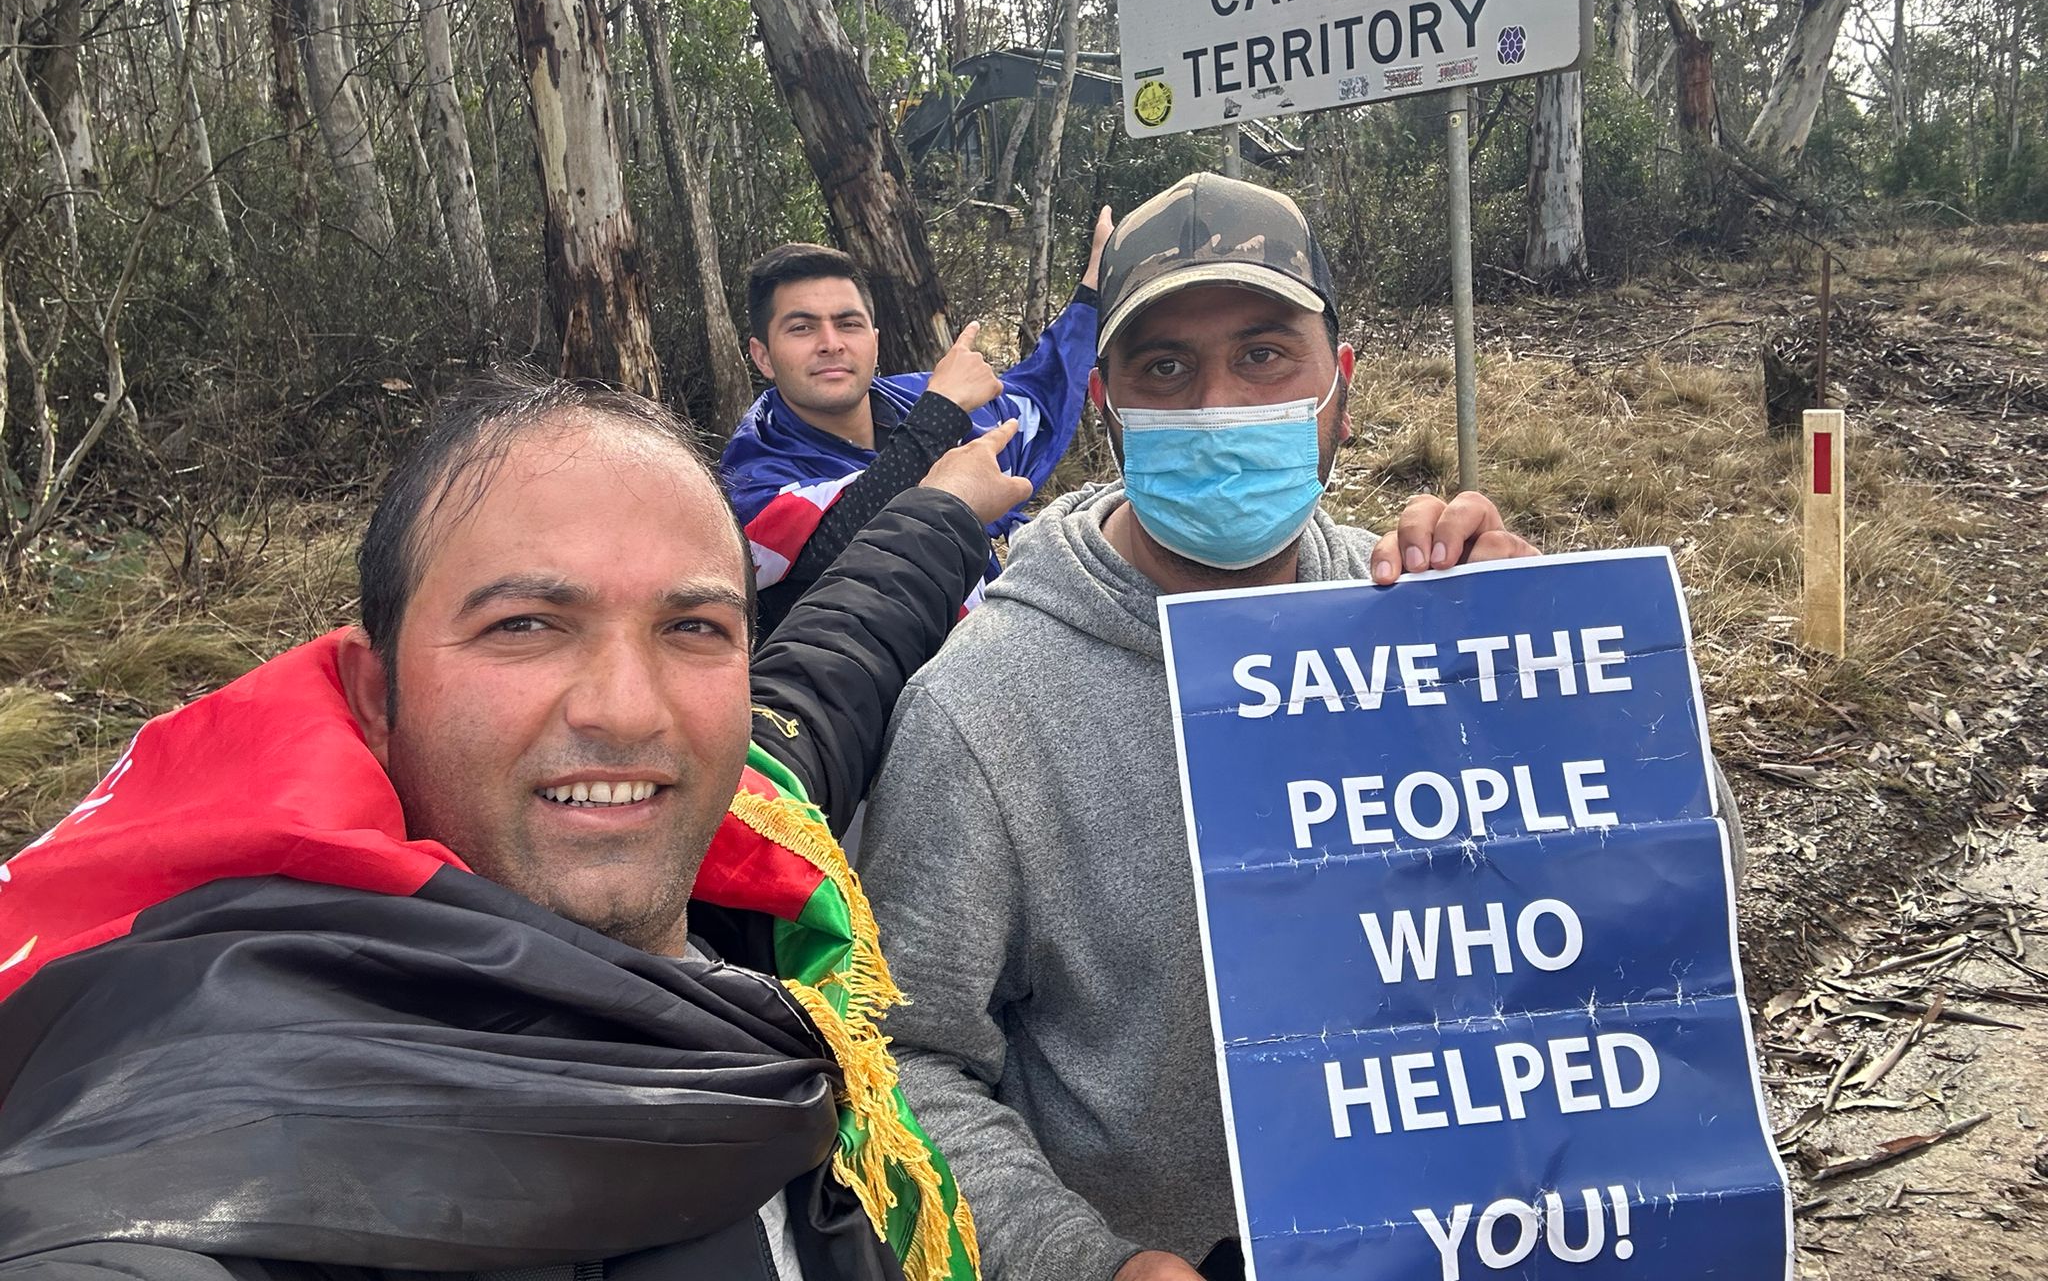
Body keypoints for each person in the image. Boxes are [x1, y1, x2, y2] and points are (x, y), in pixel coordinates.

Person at [855, 173, 1748, 1281]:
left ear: (1341, 385)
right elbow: (899, 1062)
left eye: (1265, 353)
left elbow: (1688, 913)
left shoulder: (1426, 627)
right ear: (1102, 400)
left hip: (1469, 1237)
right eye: (1165, 366)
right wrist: (1084, 1265)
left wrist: (1556, 691)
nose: (1217, 404)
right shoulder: (983, 707)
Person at [0, 369, 1034, 1281]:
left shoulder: (749, 851)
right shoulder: (219, 1114)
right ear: (374, 694)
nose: (628, 710)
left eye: (692, 628)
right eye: (526, 627)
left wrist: (940, 510)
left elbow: (835, 660)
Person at [722, 219, 1106, 639]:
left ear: (874, 341)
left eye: (848, 324)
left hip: (996, 652)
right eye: (802, 328)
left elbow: (1038, 396)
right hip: (874, 690)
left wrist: (1092, 292)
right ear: (762, 356)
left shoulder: (915, 399)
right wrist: (940, 416)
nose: (831, 342)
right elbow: (830, 547)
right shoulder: (751, 470)